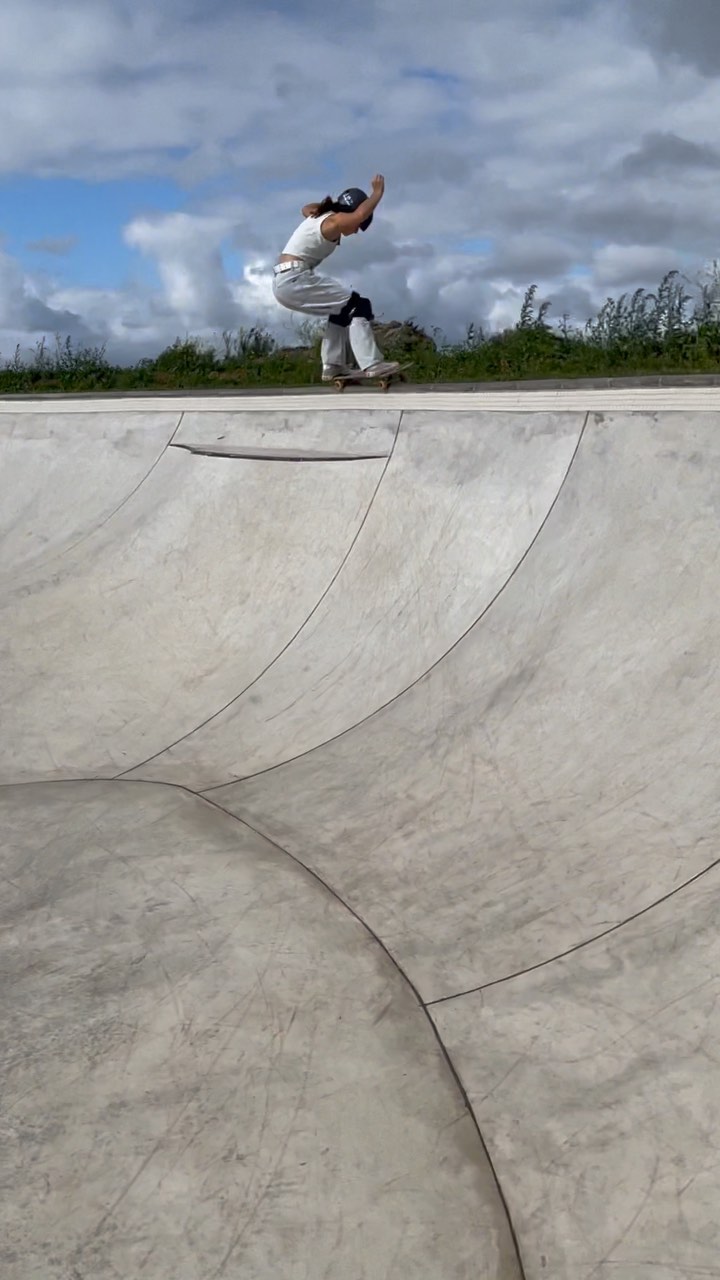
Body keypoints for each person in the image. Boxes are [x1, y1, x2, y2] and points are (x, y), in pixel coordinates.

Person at [272, 174, 400, 382]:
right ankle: (372, 364)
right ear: (349, 212)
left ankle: (333, 366)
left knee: (341, 309)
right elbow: (359, 214)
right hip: (295, 279)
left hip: (285, 280)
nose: (356, 230)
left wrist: (332, 205)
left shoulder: (318, 216)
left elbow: (306, 207)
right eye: (358, 225)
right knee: (359, 305)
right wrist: (377, 193)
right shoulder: (334, 220)